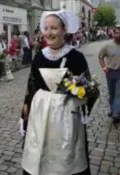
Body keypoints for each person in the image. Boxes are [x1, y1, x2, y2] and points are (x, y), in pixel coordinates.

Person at [21, 10, 98, 175]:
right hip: (40, 113)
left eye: (54, 28)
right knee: (40, 151)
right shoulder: (39, 57)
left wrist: (81, 97)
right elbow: (31, 87)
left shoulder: (76, 57)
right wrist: (25, 115)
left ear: (64, 29)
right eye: (46, 28)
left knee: (65, 157)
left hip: (66, 116)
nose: (49, 32)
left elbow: (90, 89)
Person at [99, 26, 120, 126]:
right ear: (113, 33)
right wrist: (104, 67)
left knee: (118, 94)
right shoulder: (107, 46)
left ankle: (116, 115)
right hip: (110, 72)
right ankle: (113, 109)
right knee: (112, 94)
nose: (118, 35)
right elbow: (100, 57)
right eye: (116, 33)